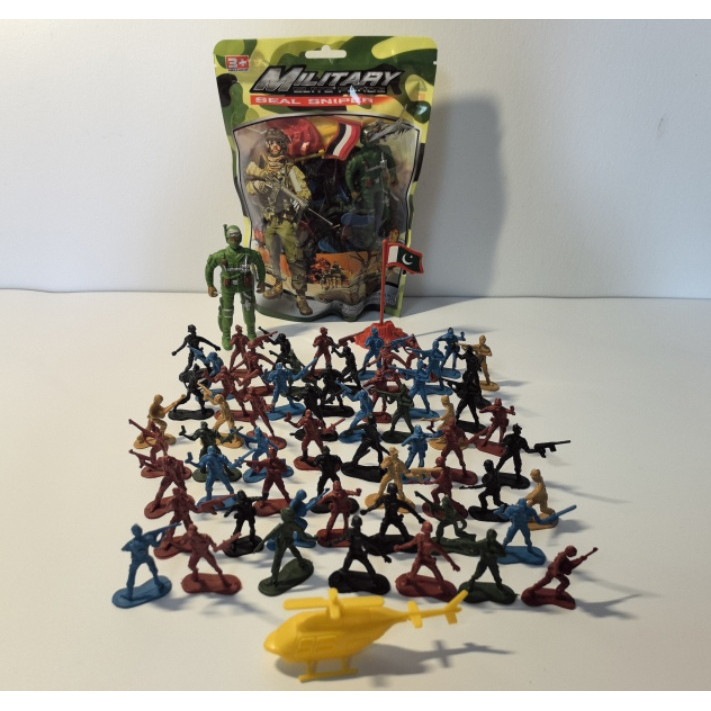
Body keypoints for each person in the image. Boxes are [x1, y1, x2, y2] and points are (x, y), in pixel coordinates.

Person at [245, 127, 312, 315]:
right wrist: (258, 185)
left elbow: (303, 190)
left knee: (295, 257)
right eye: (272, 143)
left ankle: (300, 296)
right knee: (273, 256)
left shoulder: (290, 170)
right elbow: (248, 187)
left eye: (278, 143)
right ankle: (277, 284)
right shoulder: (261, 167)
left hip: (285, 221)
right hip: (269, 220)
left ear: (283, 146)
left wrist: (301, 200)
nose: (275, 146)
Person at [205, 224, 265, 346]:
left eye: (237, 238)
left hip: (245, 284)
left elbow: (260, 265)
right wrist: (210, 285)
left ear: (241, 237)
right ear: (227, 239)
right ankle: (226, 335)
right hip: (228, 286)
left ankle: (251, 332)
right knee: (227, 311)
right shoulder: (220, 255)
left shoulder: (249, 254)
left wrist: (262, 281)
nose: (234, 241)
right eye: (231, 238)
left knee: (249, 309)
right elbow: (209, 268)